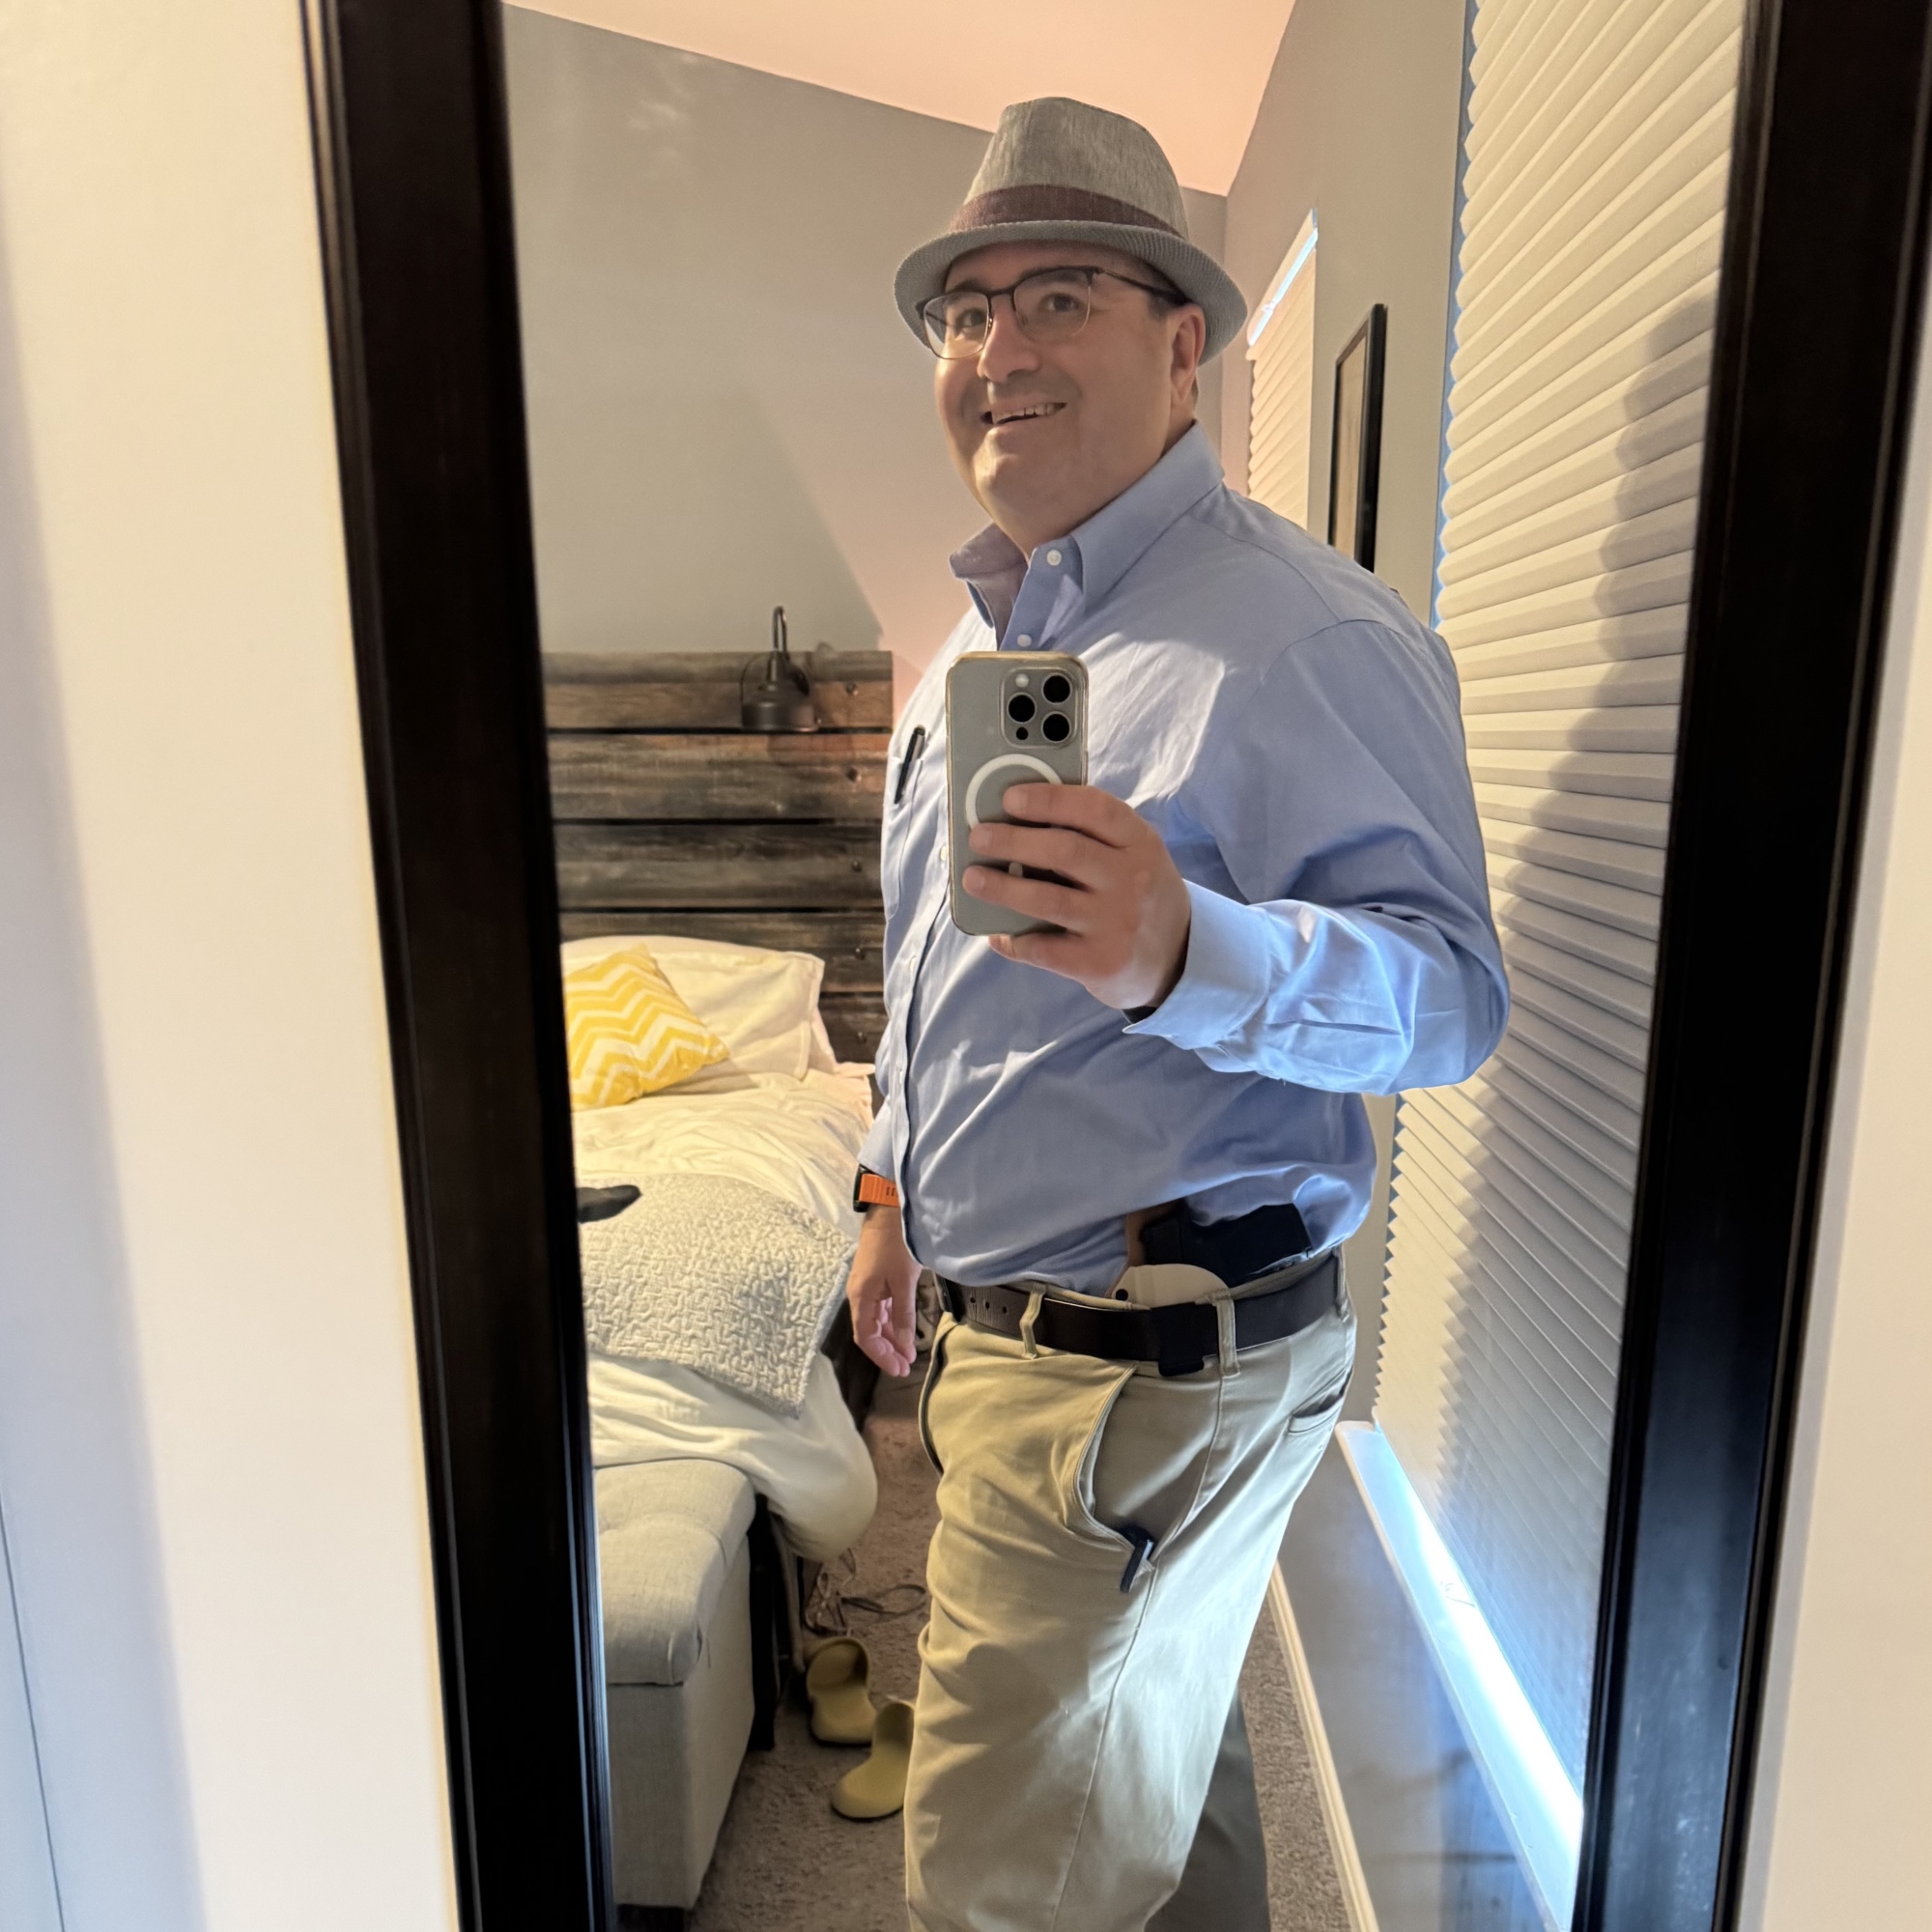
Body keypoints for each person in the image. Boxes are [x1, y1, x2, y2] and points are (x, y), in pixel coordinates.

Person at [845, 97, 1507, 1932]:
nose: (999, 348)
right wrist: (893, 1194)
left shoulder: (1303, 635)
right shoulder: (992, 656)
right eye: (966, 309)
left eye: (1059, 295)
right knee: (1161, 1786)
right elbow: (937, 978)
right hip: (1023, 1344)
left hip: (1134, 1370)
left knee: (998, 1889)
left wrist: (1181, 952)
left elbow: (1450, 1001)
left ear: (1185, 345)